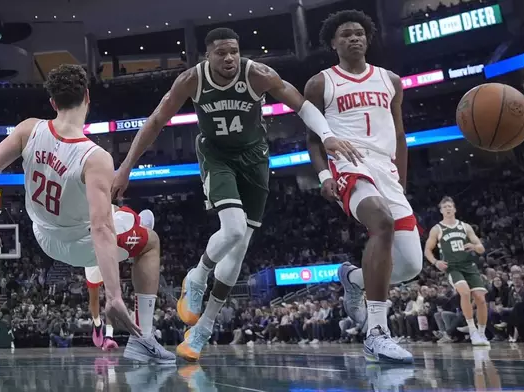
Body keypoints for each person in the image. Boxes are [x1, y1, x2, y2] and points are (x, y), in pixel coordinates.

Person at [111, 27, 359, 362]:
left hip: (254, 159)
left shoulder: (258, 74)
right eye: (221, 53)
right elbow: (156, 121)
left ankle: (203, 330)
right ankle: (196, 276)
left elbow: (299, 105)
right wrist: (126, 166)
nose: (229, 58)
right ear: (207, 56)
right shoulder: (191, 80)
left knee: (239, 249)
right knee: (233, 228)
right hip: (216, 156)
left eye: (234, 51)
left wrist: (327, 135)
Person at [0, 64, 174, 364]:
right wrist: (115, 296)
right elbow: (101, 228)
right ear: (88, 97)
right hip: (81, 244)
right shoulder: (95, 157)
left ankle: (131, 220)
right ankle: (143, 337)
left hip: (43, 235)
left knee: (112, 211)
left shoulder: (29, 129)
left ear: (53, 103)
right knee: (150, 241)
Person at [305, 10, 422, 363]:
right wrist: (324, 176)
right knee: (381, 222)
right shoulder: (321, 82)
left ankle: (353, 278)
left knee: (409, 266)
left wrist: (400, 179)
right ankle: (377, 332)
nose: (354, 39)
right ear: (333, 43)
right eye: (346, 35)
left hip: (386, 170)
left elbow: (400, 134)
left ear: (368, 39)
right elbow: (312, 139)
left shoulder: (391, 80)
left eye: (359, 34)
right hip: (349, 164)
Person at [424, 196, 489, 346]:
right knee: (465, 292)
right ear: (441, 211)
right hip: (452, 267)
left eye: (450, 206)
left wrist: (474, 247)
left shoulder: (465, 227)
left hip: (468, 266)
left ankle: (481, 333)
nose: (448, 208)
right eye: (445, 206)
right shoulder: (437, 229)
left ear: (454, 209)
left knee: (480, 298)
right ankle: (472, 330)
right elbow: (427, 250)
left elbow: (481, 248)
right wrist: (436, 262)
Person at [88, 209, 155, 351]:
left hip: (106, 250)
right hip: (93, 248)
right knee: (95, 299)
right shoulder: (127, 215)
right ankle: (97, 323)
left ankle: (109, 337)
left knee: (111, 296)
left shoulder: (131, 228)